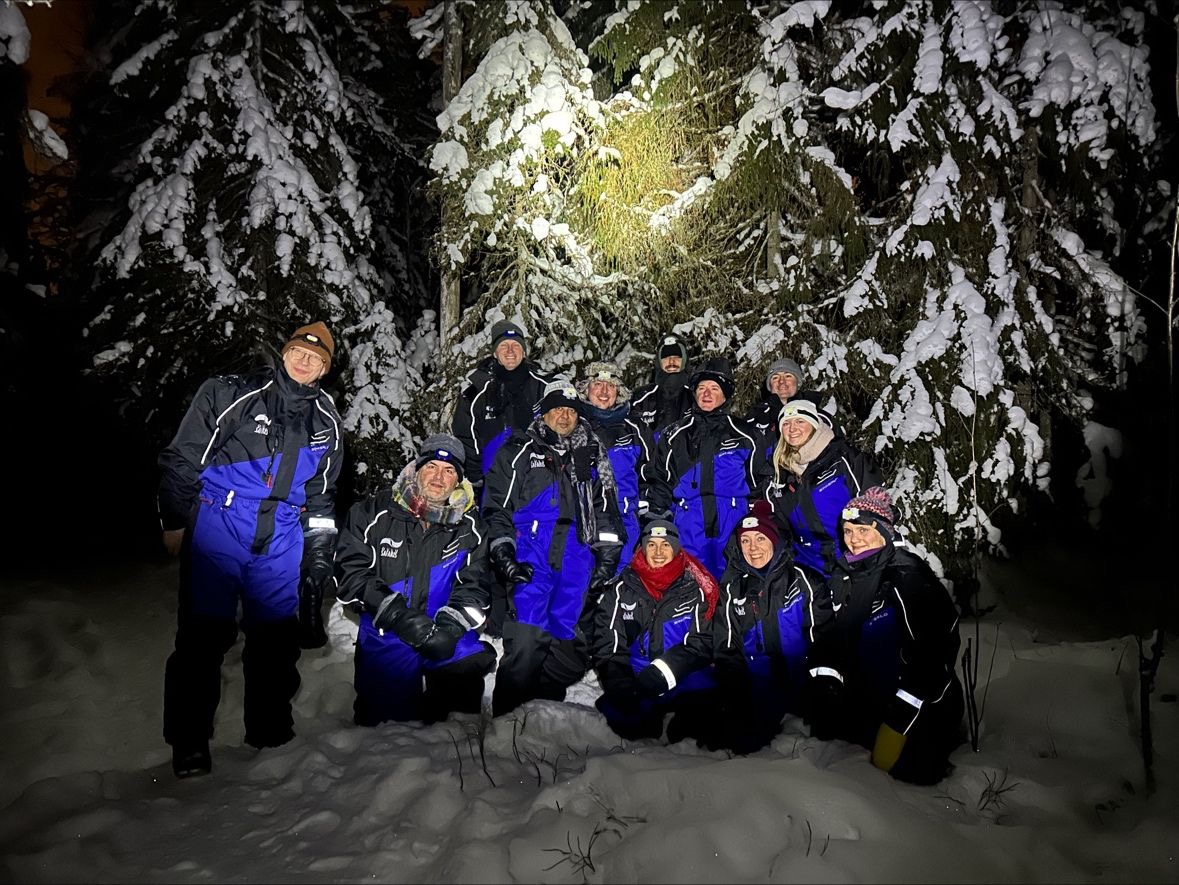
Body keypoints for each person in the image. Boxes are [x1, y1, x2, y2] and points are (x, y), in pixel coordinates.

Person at [158, 321, 343, 778]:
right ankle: (190, 742)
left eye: (316, 358)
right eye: (299, 352)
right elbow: (183, 458)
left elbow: (322, 495)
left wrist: (319, 549)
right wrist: (175, 519)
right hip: (222, 519)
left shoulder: (327, 422)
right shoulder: (231, 393)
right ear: (284, 353)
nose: (305, 361)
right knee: (203, 634)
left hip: (282, 533)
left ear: (324, 369)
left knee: (275, 638)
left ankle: (270, 732)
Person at [805, 487, 966, 785]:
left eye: (863, 530)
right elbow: (833, 637)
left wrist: (902, 716)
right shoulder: (847, 574)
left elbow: (935, 652)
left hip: (919, 709)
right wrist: (828, 682)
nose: (854, 539)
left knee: (903, 781)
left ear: (883, 532)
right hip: (871, 701)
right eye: (848, 530)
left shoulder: (906, 574)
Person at [482, 379, 624, 716]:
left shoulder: (589, 452)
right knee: (528, 636)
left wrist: (606, 556)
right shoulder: (520, 449)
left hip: (577, 552)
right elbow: (496, 506)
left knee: (568, 642)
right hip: (531, 550)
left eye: (571, 411)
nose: (564, 416)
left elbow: (605, 508)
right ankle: (508, 718)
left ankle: (540, 712)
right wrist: (503, 549)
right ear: (544, 413)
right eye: (557, 409)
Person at [334, 434, 496, 726]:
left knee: (466, 672)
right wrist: (396, 615)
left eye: (449, 471)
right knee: (386, 730)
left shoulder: (471, 527)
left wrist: (451, 626)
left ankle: (445, 727)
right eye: (432, 466)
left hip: (441, 626)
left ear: (458, 481)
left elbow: (476, 587)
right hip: (387, 627)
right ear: (417, 468)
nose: (439, 477)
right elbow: (350, 573)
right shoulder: (373, 512)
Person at [708, 500, 829, 754]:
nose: (753, 548)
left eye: (760, 539)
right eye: (745, 541)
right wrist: (736, 693)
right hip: (758, 690)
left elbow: (823, 639)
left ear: (774, 540)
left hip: (803, 685)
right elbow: (727, 646)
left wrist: (820, 687)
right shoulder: (732, 590)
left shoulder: (804, 581)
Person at [592, 519, 719, 743]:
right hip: (637, 679)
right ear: (643, 548)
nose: (658, 552)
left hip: (681, 676)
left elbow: (701, 643)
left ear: (676, 548)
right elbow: (607, 642)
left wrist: (659, 674)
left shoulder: (695, 589)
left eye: (665, 545)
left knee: (699, 726)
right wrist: (621, 682)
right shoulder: (623, 589)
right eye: (651, 545)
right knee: (623, 724)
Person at [642, 356, 764, 581]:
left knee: (736, 579)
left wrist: (759, 517)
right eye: (701, 388)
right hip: (689, 520)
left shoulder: (744, 434)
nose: (706, 394)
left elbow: (760, 480)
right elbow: (659, 480)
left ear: (725, 395)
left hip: (733, 519)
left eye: (714, 388)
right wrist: (657, 517)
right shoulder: (674, 435)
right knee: (692, 581)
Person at [763, 398, 881, 579]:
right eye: (786, 424)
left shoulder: (843, 457)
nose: (792, 429)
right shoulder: (782, 471)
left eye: (800, 421)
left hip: (852, 557)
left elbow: (877, 506)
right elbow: (782, 527)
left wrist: (864, 557)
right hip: (808, 566)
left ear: (814, 424)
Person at [451, 318, 551, 493]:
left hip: (537, 481)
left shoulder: (544, 388)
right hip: (493, 482)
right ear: (495, 353)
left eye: (516, 345)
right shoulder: (476, 391)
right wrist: (475, 478)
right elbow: (465, 435)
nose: (510, 351)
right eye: (504, 345)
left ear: (524, 352)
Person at [576, 361, 652, 574]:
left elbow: (652, 474)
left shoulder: (635, 429)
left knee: (620, 579)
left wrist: (647, 513)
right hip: (582, 520)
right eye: (597, 384)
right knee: (582, 582)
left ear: (619, 392)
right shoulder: (573, 426)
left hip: (625, 520)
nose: (604, 391)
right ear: (586, 389)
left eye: (610, 386)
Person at [743, 357, 841, 458]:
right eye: (775, 378)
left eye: (788, 376)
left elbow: (839, 450)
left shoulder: (818, 416)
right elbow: (742, 452)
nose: (781, 381)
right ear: (770, 385)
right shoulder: (756, 416)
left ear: (797, 382)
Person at [630, 332, 693, 441]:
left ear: (684, 360)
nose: (671, 361)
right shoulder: (640, 399)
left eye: (677, 357)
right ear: (659, 361)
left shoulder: (696, 397)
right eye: (666, 357)